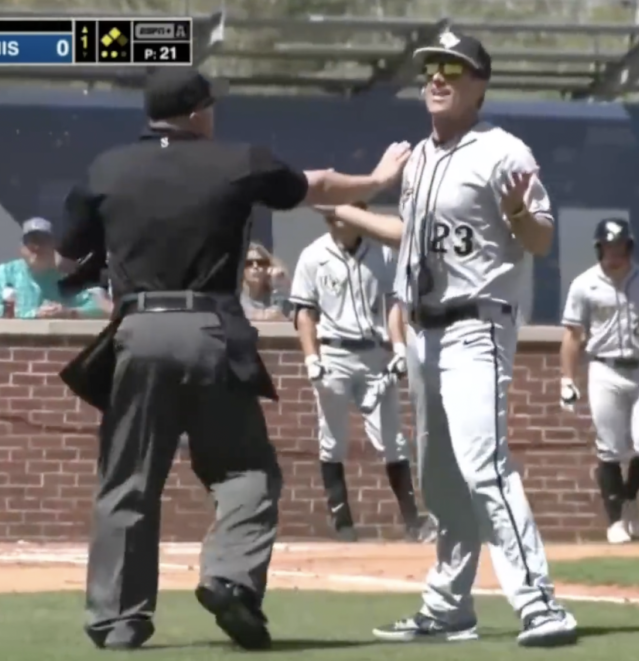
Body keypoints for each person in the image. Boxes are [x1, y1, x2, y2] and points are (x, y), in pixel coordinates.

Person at [55, 66, 411, 651]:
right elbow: (318, 185)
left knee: (128, 481)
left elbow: (69, 258)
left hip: (138, 330)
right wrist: (377, 177)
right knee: (245, 471)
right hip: (211, 331)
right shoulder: (238, 161)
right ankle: (231, 579)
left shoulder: (107, 168)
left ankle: (120, 621)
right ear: (199, 111)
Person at [315, 30, 576, 648]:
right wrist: (344, 211)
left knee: (485, 465)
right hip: (424, 333)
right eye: (432, 67)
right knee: (440, 479)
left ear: (479, 84)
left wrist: (518, 214)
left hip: (477, 326)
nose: (437, 77)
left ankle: (541, 605)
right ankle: (448, 607)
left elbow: (540, 237)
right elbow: (410, 235)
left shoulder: (503, 150)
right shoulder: (419, 158)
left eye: (453, 69)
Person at [290, 201, 431, 544]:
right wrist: (311, 358)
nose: (334, 219)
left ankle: (413, 522)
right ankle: (343, 524)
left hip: (373, 353)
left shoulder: (382, 252)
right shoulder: (313, 255)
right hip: (333, 352)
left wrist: (399, 347)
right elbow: (304, 311)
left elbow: (394, 303)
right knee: (332, 440)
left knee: (393, 440)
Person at [558, 218, 639, 545]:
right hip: (604, 369)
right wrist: (567, 379)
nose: (613, 254)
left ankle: (628, 497)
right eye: (607, 247)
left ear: (629, 247)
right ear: (598, 248)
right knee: (611, 448)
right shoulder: (584, 284)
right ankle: (616, 520)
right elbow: (573, 335)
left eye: (619, 247)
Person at [0, 217, 108, 319]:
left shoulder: (65, 277)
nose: (36, 247)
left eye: (43, 241)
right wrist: (32, 314)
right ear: (21, 247)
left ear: (54, 246)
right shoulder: (6, 273)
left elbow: (99, 310)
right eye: (31, 241)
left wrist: (68, 312)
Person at [240, 242, 293, 321]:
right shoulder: (237, 297)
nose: (255, 266)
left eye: (261, 263)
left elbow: (292, 314)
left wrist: (279, 283)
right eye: (249, 263)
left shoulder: (273, 294)